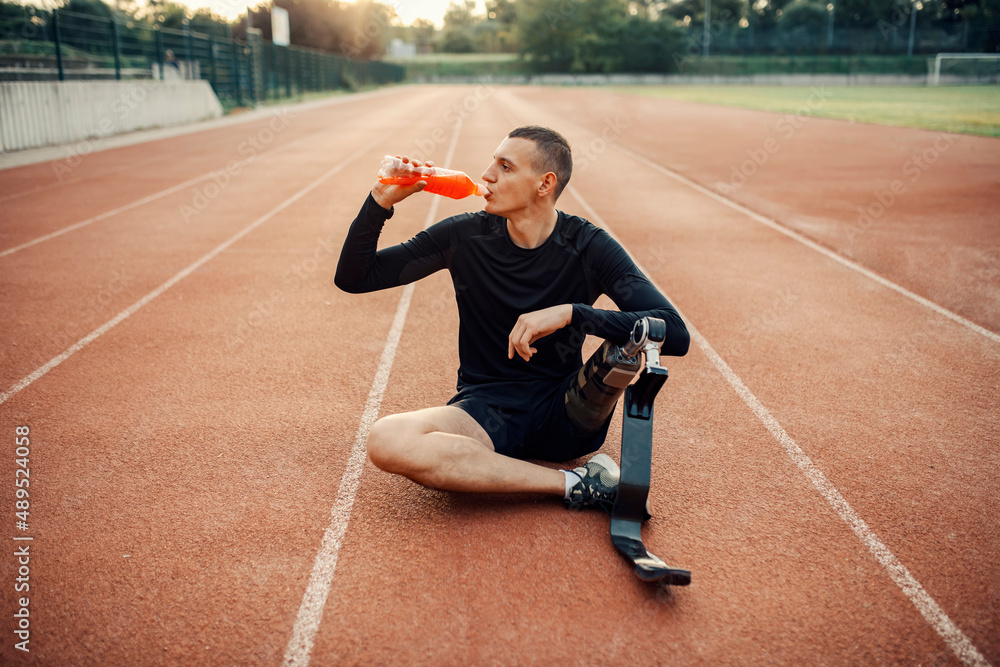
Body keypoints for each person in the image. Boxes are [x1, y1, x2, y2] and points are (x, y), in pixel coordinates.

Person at [335, 125, 689, 513]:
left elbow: (674, 332)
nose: (487, 174)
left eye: (505, 166)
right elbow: (355, 278)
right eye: (493, 163)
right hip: (486, 411)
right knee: (387, 439)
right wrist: (379, 203)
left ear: (544, 184)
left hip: (569, 412)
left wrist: (573, 314)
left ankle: (482, 467)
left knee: (632, 338)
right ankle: (576, 484)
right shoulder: (464, 236)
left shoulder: (588, 245)